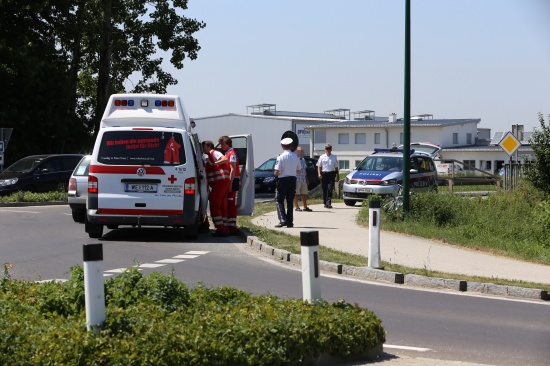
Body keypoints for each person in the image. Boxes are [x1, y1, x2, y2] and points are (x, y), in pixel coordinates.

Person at [202, 140, 231, 237]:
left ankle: (221, 229)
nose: (203, 148)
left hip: (220, 182)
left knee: (214, 204)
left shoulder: (214, 153)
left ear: (209, 146)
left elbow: (224, 159)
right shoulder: (208, 156)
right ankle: (225, 228)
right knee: (222, 205)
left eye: (204, 146)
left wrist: (214, 164)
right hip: (221, 182)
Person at [274, 137, 301, 228]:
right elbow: (298, 171)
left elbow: (276, 172)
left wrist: (277, 173)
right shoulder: (296, 157)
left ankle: (282, 219)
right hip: (292, 180)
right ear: (291, 146)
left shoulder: (280, 157)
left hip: (282, 180)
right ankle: (290, 222)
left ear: (282, 146)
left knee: (279, 200)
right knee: (290, 201)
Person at [218, 135, 241, 236]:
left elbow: (232, 169)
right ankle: (230, 225)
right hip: (232, 180)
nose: (221, 146)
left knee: (230, 203)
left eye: (222, 144)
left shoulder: (231, 154)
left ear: (227, 143)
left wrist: (230, 183)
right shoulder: (228, 153)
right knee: (228, 202)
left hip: (233, 180)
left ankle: (232, 226)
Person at [317, 143, 339, 209]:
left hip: (331, 175)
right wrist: (319, 174)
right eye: (327, 148)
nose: (328, 150)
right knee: (324, 190)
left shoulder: (334, 157)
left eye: (329, 148)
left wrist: (338, 175)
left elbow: (336, 167)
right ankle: (325, 202)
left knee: (330, 190)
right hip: (324, 175)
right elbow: (319, 166)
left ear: (331, 149)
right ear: (325, 149)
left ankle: (328, 203)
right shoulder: (321, 157)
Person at [293, 146, 312, 212]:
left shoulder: (303, 159)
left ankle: (305, 207)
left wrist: (306, 178)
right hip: (297, 179)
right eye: (300, 151)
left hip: (303, 179)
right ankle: (297, 206)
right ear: (297, 152)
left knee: (304, 193)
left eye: (302, 151)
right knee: (296, 193)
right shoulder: (294, 159)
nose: (302, 152)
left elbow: (305, 170)